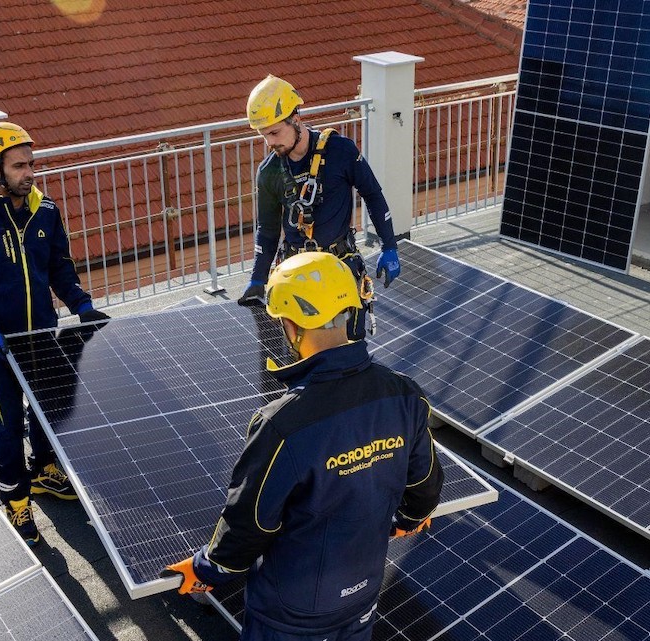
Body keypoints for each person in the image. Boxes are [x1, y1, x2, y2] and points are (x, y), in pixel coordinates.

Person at [163, 252, 443, 641]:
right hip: (363, 593)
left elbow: (252, 522)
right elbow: (426, 485)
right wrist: (412, 519)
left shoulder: (282, 424)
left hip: (291, 610)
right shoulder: (404, 395)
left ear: (292, 326)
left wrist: (208, 569)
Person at [0, 121, 109, 545]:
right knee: (6, 424)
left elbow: (59, 269)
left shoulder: (45, 211)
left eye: (31, 164)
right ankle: (16, 501)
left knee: (48, 409)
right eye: (18, 166)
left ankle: (46, 470)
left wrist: (81, 305)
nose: (29, 173)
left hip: (40, 336)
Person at [236, 74, 402, 342]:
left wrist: (389, 245)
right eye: (264, 135)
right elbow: (267, 230)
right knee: (303, 349)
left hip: (339, 268)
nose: (269, 143)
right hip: (297, 275)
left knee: (349, 342)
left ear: (296, 120)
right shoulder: (269, 172)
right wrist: (258, 278)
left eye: (275, 132)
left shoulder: (340, 151)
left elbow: (372, 194)